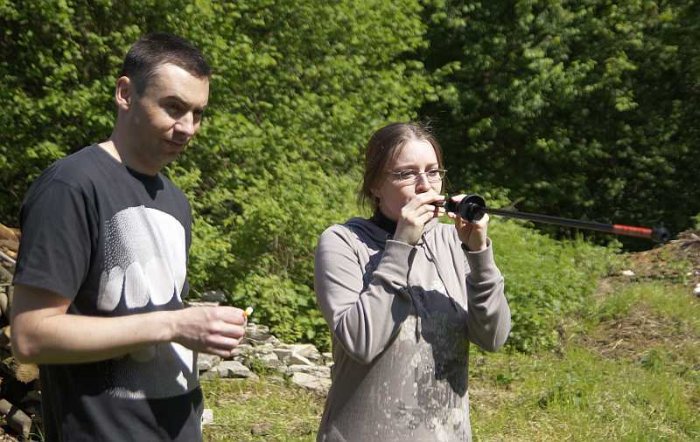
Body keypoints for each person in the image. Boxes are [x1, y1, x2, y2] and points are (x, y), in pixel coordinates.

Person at [11, 33, 247, 441]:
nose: (188, 128)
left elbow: (152, 314)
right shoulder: (71, 186)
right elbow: (30, 337)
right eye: (173, 107)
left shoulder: (175, 200)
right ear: (125, 94)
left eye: (198, 113)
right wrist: (173, 324)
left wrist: (199, 327)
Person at [314, 122, 511, 441]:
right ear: (375, 185)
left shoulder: (452, 241)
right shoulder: (343, 242)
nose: (424, 186)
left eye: (433, 172)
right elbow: (361, 343)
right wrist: (402, 244)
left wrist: (479, 255)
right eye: (406, 174)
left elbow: (493, 337)